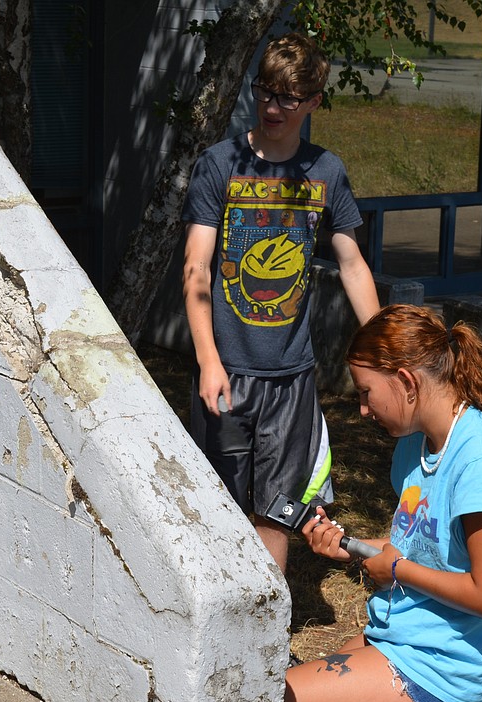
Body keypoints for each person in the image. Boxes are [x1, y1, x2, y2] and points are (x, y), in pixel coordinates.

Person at [282, 305, 482, 702]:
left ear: (406, 381)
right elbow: (428, 549)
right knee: (268, 690)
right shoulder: (416, 446)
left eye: (366, 392)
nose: (362, 409)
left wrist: (396, 569)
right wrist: (357, 547)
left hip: (442, 673)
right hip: (404, 639)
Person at [181, 32, 380, 572]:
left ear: (313, 101)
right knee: (218, 509)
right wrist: (208, 361)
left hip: (293, 379)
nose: (273, 107)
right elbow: (197, 268)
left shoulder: (326, 172)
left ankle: (264, 636)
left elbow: (353, 264)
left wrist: (388, 345)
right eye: (266, 92)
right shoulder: (218, 165)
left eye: (288, 97)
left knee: (276, 512)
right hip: (225, 372)